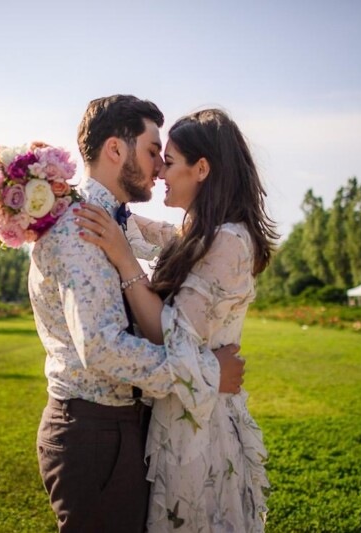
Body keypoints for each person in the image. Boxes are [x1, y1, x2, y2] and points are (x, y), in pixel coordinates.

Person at [29, 95, 247, 532]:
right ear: (116, 149)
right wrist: (205, 373)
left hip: (119, 425)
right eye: (152, 151)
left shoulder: (107, 220)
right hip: (94, 430)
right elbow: (103, 348)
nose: (159, 167)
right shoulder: (81, 228)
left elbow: (177, 243)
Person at [74, 108, 277, 531]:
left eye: (168, 160)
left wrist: (123, 257)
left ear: (201, 168)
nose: (160, 170)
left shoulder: (228, 241)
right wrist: (71, 197)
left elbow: (170, 335)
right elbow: (138, 227)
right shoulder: (200, 233)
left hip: (198, 427)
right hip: (182, 408)